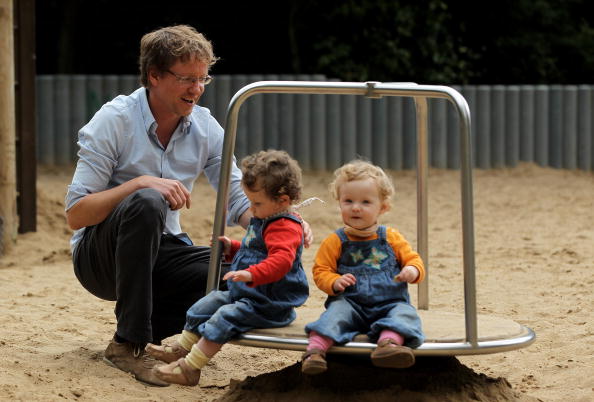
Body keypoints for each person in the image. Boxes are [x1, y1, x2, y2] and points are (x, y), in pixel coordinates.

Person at [64, 25, 311, 386]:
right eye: (186, 79)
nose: (196, 89)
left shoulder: (206, 128)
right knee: (148, 201)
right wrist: (140, 182)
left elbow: (237, 199)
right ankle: (127, 344)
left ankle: (157, 338)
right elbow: (76, 214)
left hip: (163, 250)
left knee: (238, 266)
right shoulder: (114, 121)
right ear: (154, 76)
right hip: (100, 259)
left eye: (203, 78)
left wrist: (281, 220)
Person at [145, 149, 309, 386]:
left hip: (270, 303)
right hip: (246, 294)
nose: (251, 208)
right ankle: (181, 349)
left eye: (256, 203)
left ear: (283, 200)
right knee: (205, 304)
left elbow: (281, 261)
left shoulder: (285, 226)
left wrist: (251, 273)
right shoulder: (265, 217)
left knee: (223, 317)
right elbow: (256, 247)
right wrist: (232, 247)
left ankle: (190, 368)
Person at [301, 160, 425, 375]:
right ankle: (315, 352)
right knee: (333, 315)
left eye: (366, 202)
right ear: (339, 203)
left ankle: (388, 345)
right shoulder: (335, 241)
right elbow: (321, 270)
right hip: (350, 303)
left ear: (383, 207)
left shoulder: (392, 238)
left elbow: (414, 261)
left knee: (405, 314)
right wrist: (334, 282)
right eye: (348, 201)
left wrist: (411, 271)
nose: (355, 207)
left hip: (390, 303)